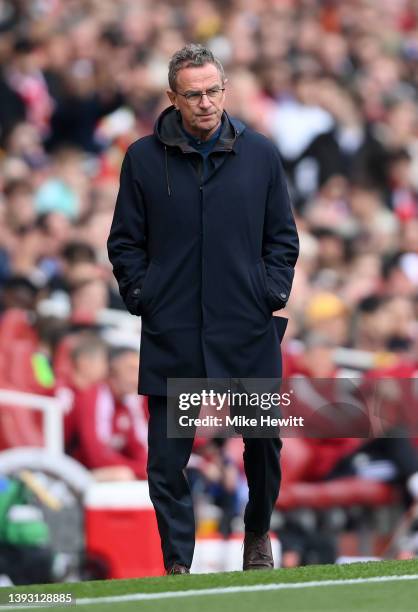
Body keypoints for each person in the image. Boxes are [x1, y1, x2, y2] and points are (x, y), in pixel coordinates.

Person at [107, 44, 299, 574]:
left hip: (246, 327)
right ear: (172, 97)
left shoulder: (260, 153)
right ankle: (177, 567)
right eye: (193, 95)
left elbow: (282, 237)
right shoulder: (142, 158)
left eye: (214, 91)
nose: (206, 103)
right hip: (175, 332)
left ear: (225, 89)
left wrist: (270, 291)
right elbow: (125, 242)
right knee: (167, 464)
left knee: (264, 445)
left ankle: (257, 534)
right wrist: (144, 296)